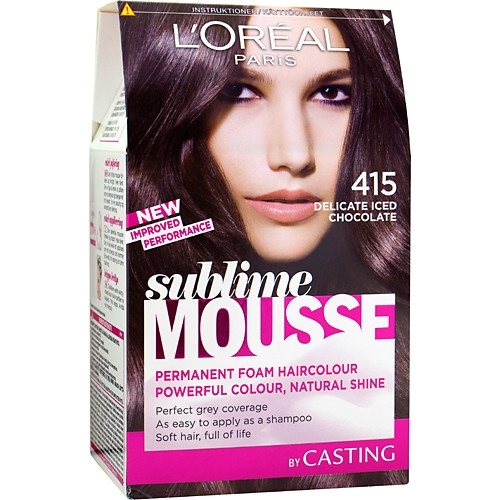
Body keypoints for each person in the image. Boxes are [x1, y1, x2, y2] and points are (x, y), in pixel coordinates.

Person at [120, 4, 410, 495]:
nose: (294, 155)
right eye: (239, 93)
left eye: (331, 94)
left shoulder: (403, 342)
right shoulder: (139, 355)